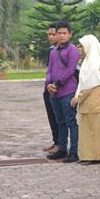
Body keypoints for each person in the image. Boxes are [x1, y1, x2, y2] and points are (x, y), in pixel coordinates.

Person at [72, 35, 100, 165]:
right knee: (87, 129)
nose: (80, 49)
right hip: (86, 98)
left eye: (81, 46)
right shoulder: (87, 62)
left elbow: (90, 84)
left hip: (93, 98)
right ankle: (87, 155)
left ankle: (94, 155)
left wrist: (79, 97)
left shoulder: (94, 63)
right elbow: (82, 83)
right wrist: (77, 95)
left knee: (94, 129)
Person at [45, 21, 79, 163]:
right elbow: (50, 70)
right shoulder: (53, 52)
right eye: (59, 33)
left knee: (71, 121)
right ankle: (62, 148)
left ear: (70, 35)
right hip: (54, 93)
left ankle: (73, 151)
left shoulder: (72, 50)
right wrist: (48, 84)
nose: (62, 35)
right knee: (60, 122)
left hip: (67, 91)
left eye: (65, 33)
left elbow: (70, 70)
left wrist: (57, 83)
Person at [42, 24, 61, 155]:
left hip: (58, 87)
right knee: (51, 115)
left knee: (59, 117)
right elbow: (49, 69)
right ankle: (55, 140)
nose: (51, 37)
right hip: (48, 87)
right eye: (49, 34)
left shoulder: (65, 50)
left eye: (53, 34)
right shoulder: (50, 50)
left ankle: (61, 143)